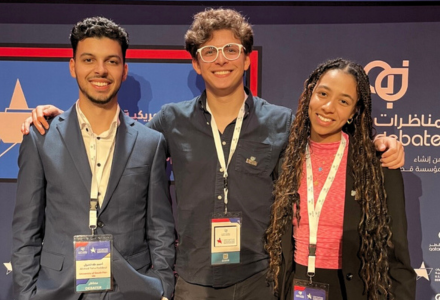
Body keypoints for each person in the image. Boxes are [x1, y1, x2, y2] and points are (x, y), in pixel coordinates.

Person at [21, 9, 405, 300]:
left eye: (231, 50)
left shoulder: (281, 121)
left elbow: (325, 148)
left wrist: (377, 145)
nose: (221, 59)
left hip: (261, 278)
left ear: (247, 58)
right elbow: (115, 139)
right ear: (196, 62)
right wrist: (53, 117)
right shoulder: (168, 122)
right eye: (210, 51)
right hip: (191, 280)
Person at [12, 17, 175, 300]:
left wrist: (162, 288)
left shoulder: (151, 143)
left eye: (111, 61)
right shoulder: (41, 137)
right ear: (73, 66)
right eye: (89, 59)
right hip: (58, 290)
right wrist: (27, 295)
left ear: (124, 70)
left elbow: (160, 227)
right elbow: (26, 230)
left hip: (130, 291)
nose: (100, 70)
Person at [265, 58, 416, 300]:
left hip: (354, 289)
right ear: (310, 93)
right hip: (297, 285)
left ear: (354, 112)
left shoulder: (376, 165)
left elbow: (396, 255)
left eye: (343, 101)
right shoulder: (285, 160)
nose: (328, 107)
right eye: (323, 93)